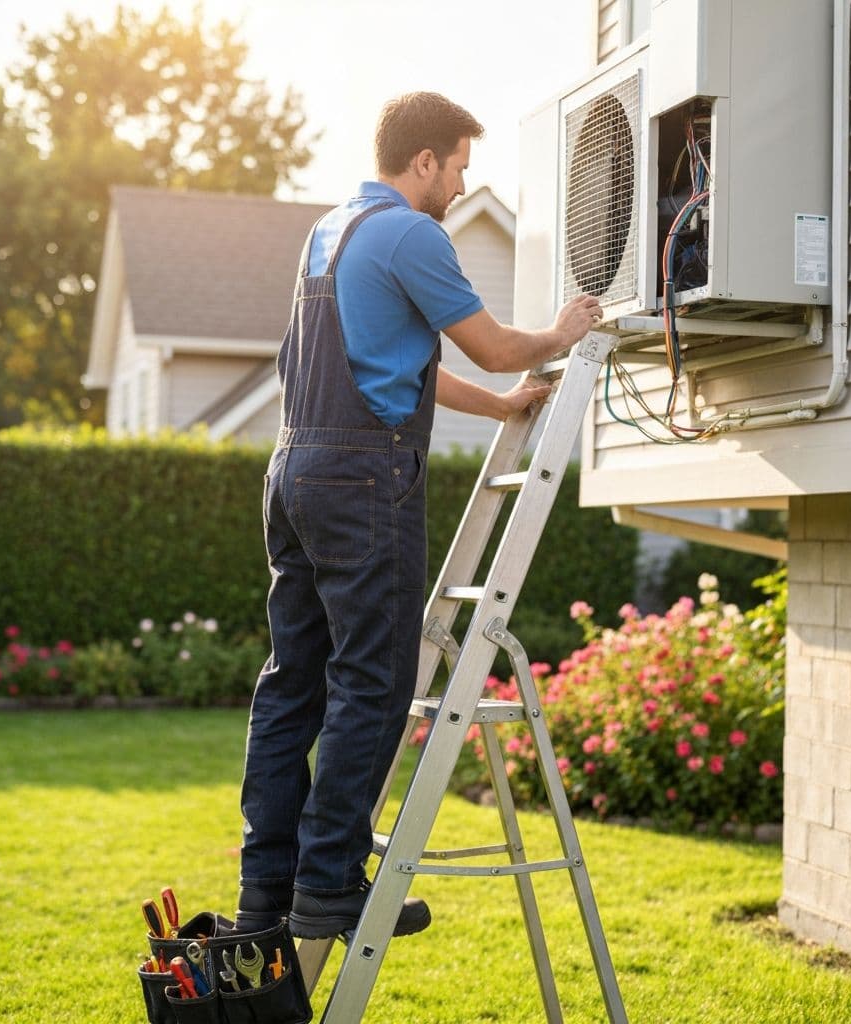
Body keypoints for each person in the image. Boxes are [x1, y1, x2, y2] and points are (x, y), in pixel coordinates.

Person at [235, 91, 603, 939]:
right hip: (364, 481)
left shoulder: (331, 233)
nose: (460, 184)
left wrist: (503, 405)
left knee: (292, 683)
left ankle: (270, 886)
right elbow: (495, 342)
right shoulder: (412, 233)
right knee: (374, 679)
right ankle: (329, 884)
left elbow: (415, 366)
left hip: (294, 473)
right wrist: (560, 331)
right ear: (425, 161)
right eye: (459, 167)